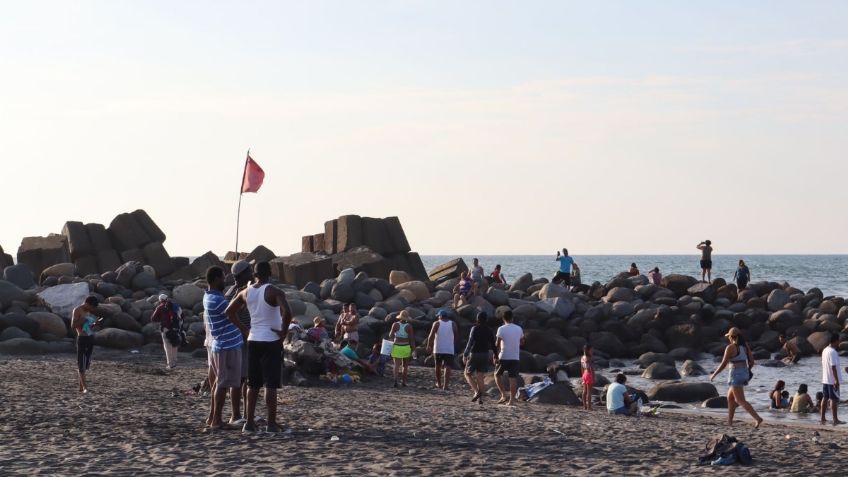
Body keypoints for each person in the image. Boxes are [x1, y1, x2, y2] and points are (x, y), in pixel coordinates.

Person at [225, 261, 293, 433]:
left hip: (253, 339)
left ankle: (249, 423)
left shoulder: (245, 292)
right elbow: (288, 312)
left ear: (254, 274)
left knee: (252, 384)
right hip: (271, 340)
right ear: (270, 273)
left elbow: (229, 311)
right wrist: (284, 332)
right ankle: (271, 424)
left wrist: (244, 330)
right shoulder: (274, 291)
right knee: (271, 384)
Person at [203, 266, 244, 431]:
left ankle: (213, 417)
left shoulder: (209, 296)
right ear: (214, 279)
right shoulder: (218, 300)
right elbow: (233, 311)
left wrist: (236, 294)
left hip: (220, 344)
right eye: (222, 278)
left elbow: (227, 307)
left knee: (218, 383)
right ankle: (217, 421)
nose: (224, 280)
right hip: (227, 346)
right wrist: (242, 295)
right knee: (222, 384)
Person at [709, 327, 762, 428]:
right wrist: (747, 370)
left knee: (740, 400)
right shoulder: (745, 346)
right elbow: (752, 362)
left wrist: (714, 374)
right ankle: (729, 422)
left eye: (728, 336)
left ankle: (757, 418)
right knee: (730, 398)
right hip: (744, 372)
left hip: (735, 374)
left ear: (731, 337)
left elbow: (724, 363)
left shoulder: (730, 347)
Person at [224, 259, 253, 425]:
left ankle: (245, 413)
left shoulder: (234, 291)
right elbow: (230, 313)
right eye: (249, 270)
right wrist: (245, 329)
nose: (252, 272)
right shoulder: (238, 292)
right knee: (238, 379)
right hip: (240, 341)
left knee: (246, 378)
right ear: (243, 274)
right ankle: (235, 415)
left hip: (243, 340)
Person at [70, 296, 104, 393]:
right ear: (87, 304)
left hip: (90, 338)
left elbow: (87, 327)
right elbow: (73, 325)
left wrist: (94, 323)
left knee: (86, 364)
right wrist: (84, 320)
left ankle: (81, 387)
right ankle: (85, 388)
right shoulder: (77, 310)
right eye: (92, 307)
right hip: (82, 338)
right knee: (81, 363)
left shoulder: (88, 312)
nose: (92, 310)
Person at [463, 312, 496, 403]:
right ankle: (480, 398)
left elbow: (470, 342)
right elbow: (493, 345)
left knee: (467, 374)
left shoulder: (474, 328)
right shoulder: (489, 330)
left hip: (475, 353)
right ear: (486, 320)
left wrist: (465, 354)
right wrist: (496, 355)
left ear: (477, 319)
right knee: (480, 376)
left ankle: (476, 392)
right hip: (485, 354)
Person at [494, 310, 524, 406]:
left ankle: (503, 394)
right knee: (513, 379)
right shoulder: (519, 328)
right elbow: (522, 342)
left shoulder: (501, 329)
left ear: (503, 319)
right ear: (512, 318)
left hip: (503, 355)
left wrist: (495, 355)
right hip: (515, 357)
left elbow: (497, 344)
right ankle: (511, 400)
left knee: (497, 375)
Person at [426, 309, 459, 390]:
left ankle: (439, 383)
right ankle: (446, 385)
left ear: (440, 316)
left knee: (438, 365)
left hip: (438, 348)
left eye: (438, 316)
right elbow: (456, 336)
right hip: (449, 348)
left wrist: (428, 345)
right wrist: (453, 345)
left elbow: (431, 335)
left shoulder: (437, 323)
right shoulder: (453, 323)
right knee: (448, 366)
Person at [151, 294, 184, 369]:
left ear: (160, 300)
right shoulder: (174, 306)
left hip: (166, 328)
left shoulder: (160, 307)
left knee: (167, 346)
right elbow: (181, 316)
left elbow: (153, 318)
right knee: (174, 344)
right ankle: (175, 362)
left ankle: (170, 364)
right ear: (167, 299)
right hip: (175, 328)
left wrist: (161, 319)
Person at [820, 333, 843, 426]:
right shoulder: (833, 352)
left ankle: (822, 418)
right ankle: (835, 419)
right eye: (839, 340)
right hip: (832, 379)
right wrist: (836, 380)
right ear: (836, 340)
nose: (839, 342)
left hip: (825, 378)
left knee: (825, 398)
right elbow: (833, 367)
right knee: (834, 399)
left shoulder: (825, 350)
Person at [389, 310, 415, 388]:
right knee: (405, 366)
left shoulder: (395, 325)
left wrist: (394, 338)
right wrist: (413, 349)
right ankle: (403, 382)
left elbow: (391, 335)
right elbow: (411, 339)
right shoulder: (409, 326)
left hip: (396, 346)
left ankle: (395, 381)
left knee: (396, 365)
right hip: (405, 347)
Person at [581, 345, 595, 411]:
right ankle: (589, 407)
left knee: (584, 391)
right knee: (589, 392)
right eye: (591, 350)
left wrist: (582, 375)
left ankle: (584, 406)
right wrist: (593, 376)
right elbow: (590, 368)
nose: (592, 351)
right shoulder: (589, 358)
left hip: (584, 374)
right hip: (589, 374)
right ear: (587, 350)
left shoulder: (582, 357)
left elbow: (581, 368)